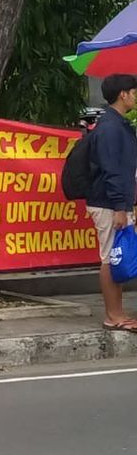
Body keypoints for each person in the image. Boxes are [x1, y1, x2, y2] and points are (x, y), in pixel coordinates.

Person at [86, 74, 137, 331]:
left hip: (119, 202)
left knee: (119, 255)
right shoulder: (110, 128)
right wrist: (119, 207)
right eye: (134, 92)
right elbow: (112, 169)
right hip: (109, 203)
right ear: (123, 95)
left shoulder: (119, 124)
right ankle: (113, 316)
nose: (136, 97)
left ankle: (119, 313)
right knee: (111, 257)